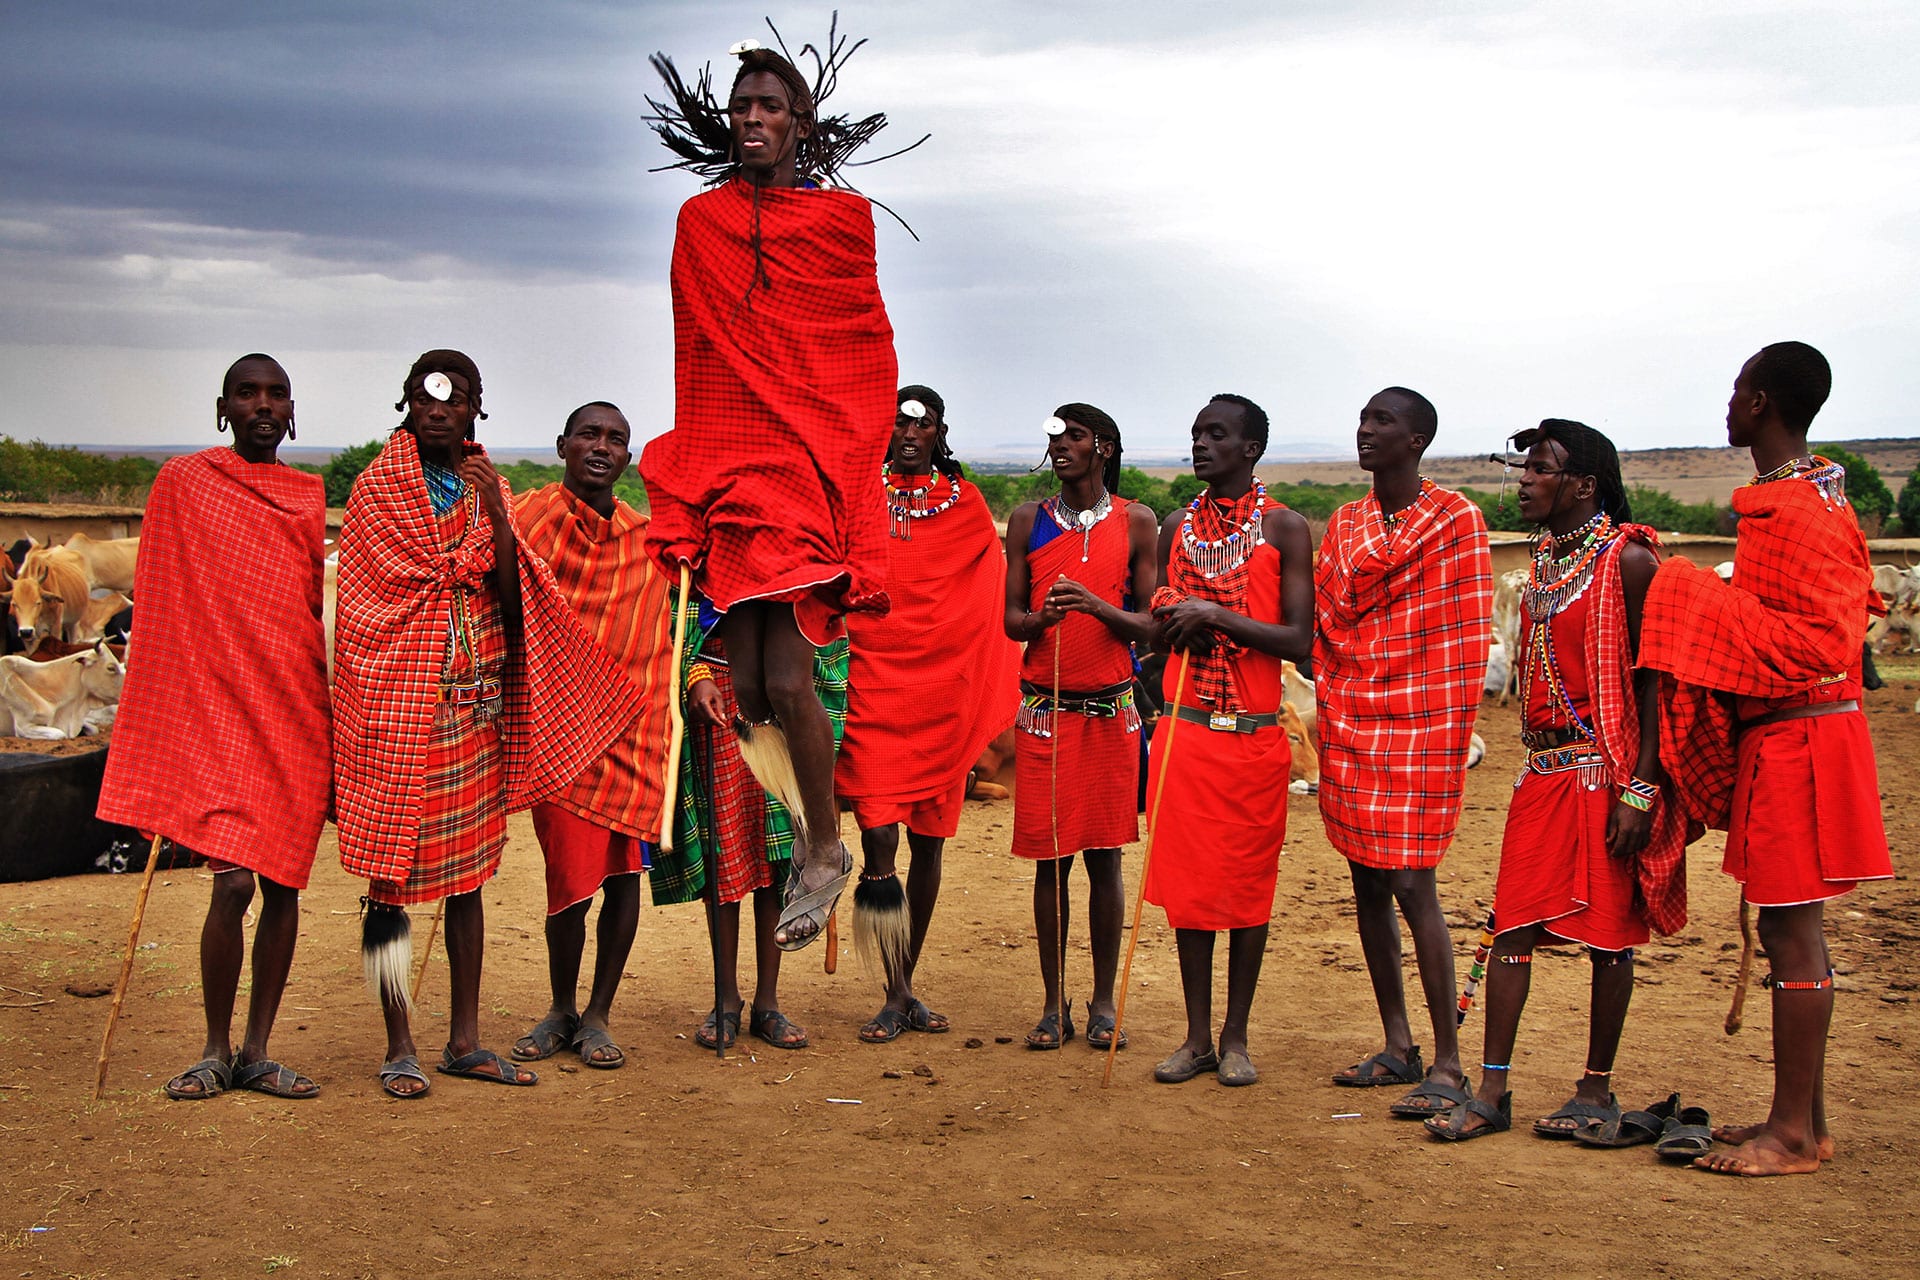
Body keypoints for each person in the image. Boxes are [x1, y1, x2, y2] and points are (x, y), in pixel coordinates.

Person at [641, 40, 907, 950]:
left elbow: (862, 345)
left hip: (809, 464)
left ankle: (827, 848)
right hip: (730, 457)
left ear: (799, 120)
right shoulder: (700, 219)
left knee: (790, 675)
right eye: (740, 106)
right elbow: (696, 346)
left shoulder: (843, 221)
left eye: (767, 106)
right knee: (749, 686)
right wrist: (704, 460)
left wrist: (844, 458)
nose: (750, 118)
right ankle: (807, 830)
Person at [333, 350, 641, 1099]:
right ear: (407, 403)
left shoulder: (490, 490)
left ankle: (464, 1040)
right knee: (390, 885)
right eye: (426, 395)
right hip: (393, 705)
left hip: (470, 709)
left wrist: (497, 518)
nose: (440, 408)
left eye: (456, 396)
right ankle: (398, 1043)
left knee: (468, 881)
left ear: (477, 409)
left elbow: (513, 599)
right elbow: (363, 608)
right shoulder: (375, 491)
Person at [1639, 342, 1892, 1176]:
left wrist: (1689, 592)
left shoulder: (1804, 512)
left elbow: (1824, 640)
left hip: (1807, 735)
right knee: (1793, 925)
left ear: (1761, 404)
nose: (1729, 401)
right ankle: (1804, 1125)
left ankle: (1790, 1136)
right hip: (1791, 734)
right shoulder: (1795, 500)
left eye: (1738, 388)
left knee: (1791, 928)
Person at [1424, 419, 1688, 1141]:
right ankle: (1492, 1091)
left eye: (1541, 468)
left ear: (1584, 485)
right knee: (1512, 927)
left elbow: (1656, 686)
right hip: (1541, 772)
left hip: (1605, 774)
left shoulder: (1627, 563)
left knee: (1609, 939)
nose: (1527, 480)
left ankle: (1595, 1092)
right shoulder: (1545, 563)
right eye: (1526, 467)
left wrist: (1641, 789)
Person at [99, 353, 331, 1101]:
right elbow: (164, 595)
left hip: (292, 708)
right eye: (247, 393)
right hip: (218, 709)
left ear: (291, 411)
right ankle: (213, 1046)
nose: (262, 405)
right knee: (230, 884)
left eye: (275, 395)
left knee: (283, 885)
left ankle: (259, 1051)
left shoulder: (306, 494)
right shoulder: (185, 483)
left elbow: (304, 606)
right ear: (223, 406)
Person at [1316, 387, 1492, 1115]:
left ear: (1416, 439)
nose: (1365, 432)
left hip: (1421, 722)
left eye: (1381, 422)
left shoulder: (1457, 520)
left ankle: (1448, 1062)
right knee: (1365, 883)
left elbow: (1463, 634)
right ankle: (1398, 1044)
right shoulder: (1346, 521)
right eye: (1362, 418)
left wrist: (1427, 710)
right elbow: (1327, 617)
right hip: (1351, 716)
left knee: (1415, 885)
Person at [837, 386, 1018, 1042]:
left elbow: (986, 591)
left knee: (931, 843)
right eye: (900, 421)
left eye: (925, 423)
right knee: (880, 839)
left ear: (940, 432)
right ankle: (894, 990)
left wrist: (972, 675)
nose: (910, 432)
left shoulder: (965, 503)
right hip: (872, 688)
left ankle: (904, 984)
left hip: (940, 696)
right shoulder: (857, 494)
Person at [1144, 394, 1314, 1086]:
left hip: (1251, 740)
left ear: (1251, 449)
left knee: (1246, 890)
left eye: (1217, 435)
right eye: (1195, 435)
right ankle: (1195, 1038)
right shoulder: (1177, 527)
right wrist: (1171, 613)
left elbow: (1300, 639)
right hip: (1184, 736)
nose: (1201, 446)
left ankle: (1236, 1036)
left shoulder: (1285, 529)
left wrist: (1215, 612)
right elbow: (1157, 617)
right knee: (1189, 892)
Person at [509, 402, 675, 1070]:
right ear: (562, 446)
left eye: (615, 439)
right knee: (568, 880)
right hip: (559, 731)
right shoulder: (525, 523)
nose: (601, 447)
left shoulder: (648, 541)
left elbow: (666, 627)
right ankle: (559, 1007)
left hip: (636, 731)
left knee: (624, 878)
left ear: (628, 459)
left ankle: (600, 1013)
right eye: (588, 435)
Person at [1002, 403, 1157, 1051]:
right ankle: (1051, 1003)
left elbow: (1151, 624)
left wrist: (1094, 605)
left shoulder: (1138, 522)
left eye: (1075, 436)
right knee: (1050, 862)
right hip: (1046, 714)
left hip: (1111, 713)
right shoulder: (1026, 522)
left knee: (1105, 859)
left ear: (1104, 447)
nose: (1061, 446)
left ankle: (1099, 1002)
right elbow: (1012, 620)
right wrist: (1041, 620)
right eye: (1054, 437)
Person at [650, 604, 850, 1053]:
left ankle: (768, 1001)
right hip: (718, 698)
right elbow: (676, 611)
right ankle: (725, 999)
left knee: (777, 852)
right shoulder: (709, 542)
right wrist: (695, 674)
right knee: (725, 848)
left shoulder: (796, 550)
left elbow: (824, 628)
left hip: (786, 708)